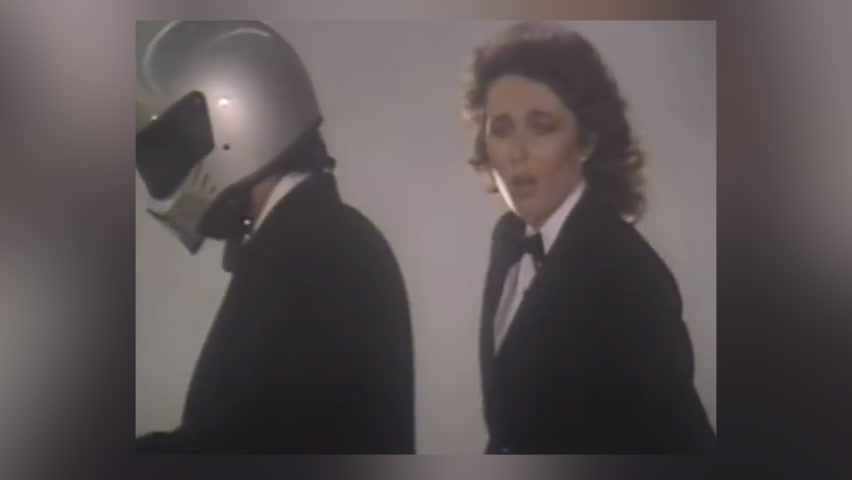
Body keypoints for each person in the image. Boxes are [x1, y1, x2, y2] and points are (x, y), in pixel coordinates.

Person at [134, 21, 415, 453]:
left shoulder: (325, 253)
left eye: (171, 148)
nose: (165, 169)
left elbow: (250, 445)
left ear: (238, 117)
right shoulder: (308, 244)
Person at [462, 21, 715, 454]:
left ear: (587, 140)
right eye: (500, 129)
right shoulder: (508, 238)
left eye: (542, 127)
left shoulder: (629, 277)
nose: (517, 152)